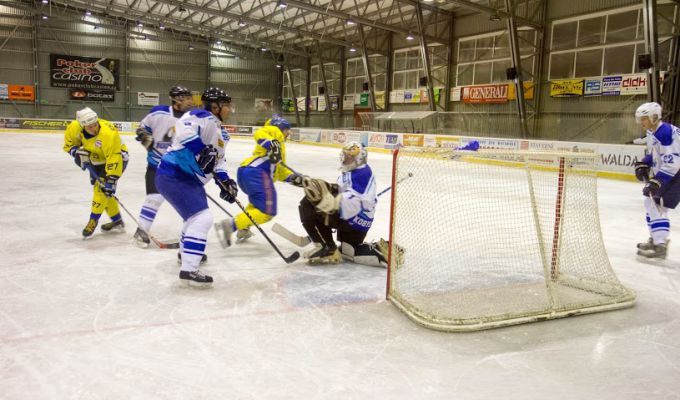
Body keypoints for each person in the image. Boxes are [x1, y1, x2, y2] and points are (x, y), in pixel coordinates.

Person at [155, 87, 238, 286]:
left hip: (186, 179)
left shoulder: (221, 132)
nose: (229, 109)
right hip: (174, 174)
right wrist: (201, 150)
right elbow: (182, 130)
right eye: (226, 105)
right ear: (215, 106)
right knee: (202, 217)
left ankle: (186, 255)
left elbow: (218, 160)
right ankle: (189, 269)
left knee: (193, 218)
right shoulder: (201, 115)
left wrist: (224, 180)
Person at [214, 115, 303, 247]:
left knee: (256, 206)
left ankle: (243, 227)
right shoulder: (274, 132)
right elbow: (261, 133)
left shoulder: (279, 145)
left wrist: (295, 178)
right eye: (286, 129)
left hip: (247, 172)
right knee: (267, 211)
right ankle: (231, 225)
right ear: (280, 127)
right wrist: (272, 144)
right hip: (257, 173)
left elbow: (279, 172)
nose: (289, 132)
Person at [297, 141, 387, 266]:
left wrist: (329, 203)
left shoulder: (361, 174)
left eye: (349, 157)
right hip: (358, 223)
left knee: (308, 204)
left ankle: (327, 247)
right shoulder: (357, 170)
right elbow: (344, 190)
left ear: (359, 159)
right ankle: (329, 246)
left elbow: (351, 203)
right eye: (344, 156)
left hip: (354, 222)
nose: (345, 159)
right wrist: (328, 187)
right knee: (348, 252)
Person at [133, 86, 194, 247]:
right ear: (176, 99)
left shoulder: (193, 118)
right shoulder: (158, 112)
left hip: (178, 168)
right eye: (186, 98)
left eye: (189, 98)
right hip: (155, 165)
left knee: (188, 201)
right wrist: (144, 136)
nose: (190, 101)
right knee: (154, 198)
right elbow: (141, 128)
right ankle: (141, 231)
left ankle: (191, 234)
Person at [63, 107, 129, 237]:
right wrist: (76, 153)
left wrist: (111, 180)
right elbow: (69, 145)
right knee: (105, 193)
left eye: (95, 125)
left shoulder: (108, 132)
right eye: (90, 127)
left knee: (101, 190)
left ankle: (93, 220)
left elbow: (113, 157)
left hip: (117, 158)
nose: (94, 129)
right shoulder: (74, 127)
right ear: (82, 126)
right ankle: (117, 221)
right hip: (95, 159)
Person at [633, 102, 680, 259]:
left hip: (676, 174)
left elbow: (673, 162)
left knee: (656, 204)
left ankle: (660, 245)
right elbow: (655, 154)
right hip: (671, 173)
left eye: (644, 118)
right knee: (650, 202)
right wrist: (644, 162)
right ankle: (656, 239)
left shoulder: (664, 133)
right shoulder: (654, 132)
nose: (642, 122)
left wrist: (657, 181)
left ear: (654, 117)